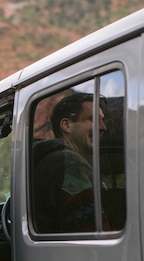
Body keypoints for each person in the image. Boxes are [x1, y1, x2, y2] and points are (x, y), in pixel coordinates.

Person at [32, 92, 108, 232]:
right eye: (94, 120)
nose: (103, 127)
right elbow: (91, 230)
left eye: (102, 120)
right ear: (66, 125)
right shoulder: (71, 163)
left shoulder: (47, 161)